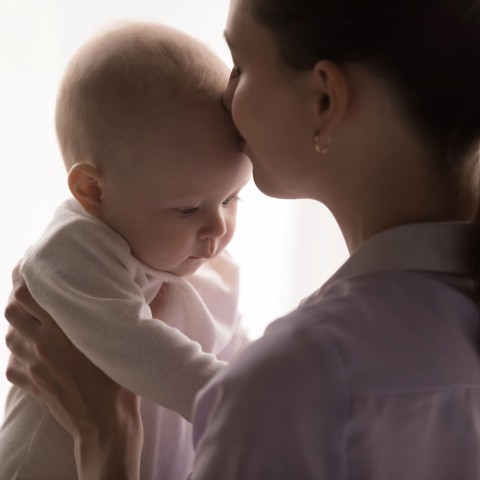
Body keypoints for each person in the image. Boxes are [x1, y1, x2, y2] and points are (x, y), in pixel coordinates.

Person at [5, 0, 480, 478]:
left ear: (324, 99)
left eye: (240, 66)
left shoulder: (286, 383)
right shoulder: (444, 326)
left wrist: (106, 442)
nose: (225, 102)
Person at [0, 20, 251, 480]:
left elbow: (244, 354)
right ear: (92, 190)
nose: (218, 226)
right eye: (187, 208)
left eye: (232, 198)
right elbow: (134, 343)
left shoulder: (210, 270)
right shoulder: (73, 249)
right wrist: (240, 406)